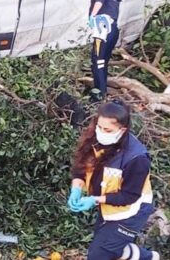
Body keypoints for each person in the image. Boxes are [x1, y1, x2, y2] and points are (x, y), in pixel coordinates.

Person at [67, 101, 159, 260]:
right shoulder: (93, 140)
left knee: (98, 255)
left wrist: (94, 200)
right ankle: (148, 257)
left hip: (131, 212)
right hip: (108, 207)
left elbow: (129, 196)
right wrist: (76, 188)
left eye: (107, 130)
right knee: (109, 247)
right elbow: (80, 169)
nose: (101, 132)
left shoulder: (136, 158)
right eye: (99, 127)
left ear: (122, 130)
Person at [88, 0, 123, 102]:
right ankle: (102, 90)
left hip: (102, 28)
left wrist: (92, 16)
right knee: (104, 61)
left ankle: (98, 95)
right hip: (113, 29)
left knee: (97, 61)